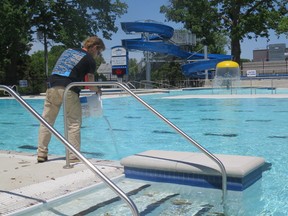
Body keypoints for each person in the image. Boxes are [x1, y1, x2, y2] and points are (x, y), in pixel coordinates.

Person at [37, 36, 105, 163]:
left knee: (47, 121)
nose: (98, 55)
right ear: (95, 47)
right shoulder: (89, 59)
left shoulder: (68, 51)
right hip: (69, 89)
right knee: (73, 123)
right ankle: (73, 155)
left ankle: (41, 153)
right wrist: (98, 90)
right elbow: (90, 85)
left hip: (51, 87)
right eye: (99, 52)